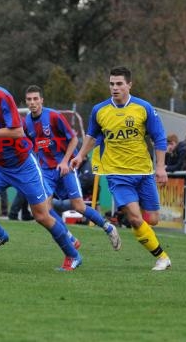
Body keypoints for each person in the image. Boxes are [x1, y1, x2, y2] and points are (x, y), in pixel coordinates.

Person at [0, 55, 81, 270]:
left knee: (41, 215)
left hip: (22, 164)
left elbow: (18, 131)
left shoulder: (1, 97)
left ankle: (73, 255)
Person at [70, 66, 171, 271]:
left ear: (129, 85)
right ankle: (162, 257)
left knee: (151, 219)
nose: (114, 88)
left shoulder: (143, 108)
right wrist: (80, 156)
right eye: (111, 84)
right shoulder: (100, 110)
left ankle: (145, 235)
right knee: (134, 218)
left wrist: (160, 167)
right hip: (117, 173)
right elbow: (91, 136)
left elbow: (159, 137)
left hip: (143, 172)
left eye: (119, 84)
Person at [24, 85, 121, 250]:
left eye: (35, 99)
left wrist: (64, 161)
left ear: (41, 100)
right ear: (26, 102)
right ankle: (69, 238)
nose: (32, 102)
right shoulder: (26, 123)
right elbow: (31, 146)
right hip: (46, 171)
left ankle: (108, 227)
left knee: (79, 206)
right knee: (43, 209)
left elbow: (74, 140)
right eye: (29, 99)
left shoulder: (54, 116)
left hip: (66, 166)